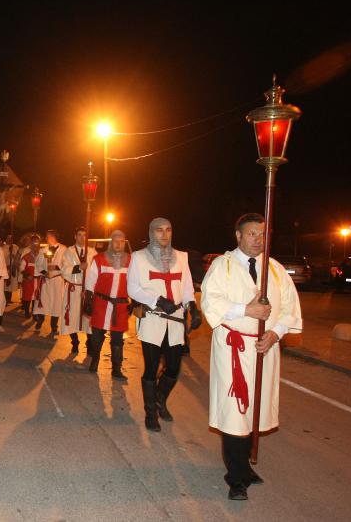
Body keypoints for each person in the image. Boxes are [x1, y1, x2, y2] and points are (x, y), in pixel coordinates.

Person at [201, 213, 302, 501]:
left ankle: (244, 466)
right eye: (251, 234)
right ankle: (236, 478)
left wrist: (276, 333)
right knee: (235, 412)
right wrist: (246, 310)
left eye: (262, 234)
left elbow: (290, 307)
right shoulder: (223, 266)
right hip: (234, 348)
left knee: (255, 411)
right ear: (238, 236)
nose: (258, 240)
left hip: (264, 349)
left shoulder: (275, 269)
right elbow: (211, 300)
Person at [128, 218, 201, 433]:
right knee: (151, 369)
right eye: (159, 230)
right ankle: (151, 412)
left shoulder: (181, 258)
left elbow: (186, 286)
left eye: (168, 230)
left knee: (174, 367)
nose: (164, 234)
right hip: (153, 319)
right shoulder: (139, 257)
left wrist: (193, 308)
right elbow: (133, 288)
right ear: (151, 232)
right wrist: (158, 300)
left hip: (176, 320)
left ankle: (159, 398)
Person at [84, 229, 130, 378]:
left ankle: (116, 369)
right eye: (116, 241)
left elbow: (135, 283)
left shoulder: (130, 261)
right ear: (111, 242)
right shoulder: (99, 259)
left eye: (122, 241)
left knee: (117, 339)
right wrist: (88, 300)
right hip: (101, 303)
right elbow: (91, 280)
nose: (118, 244)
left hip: (120, 306)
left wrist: (135, 302)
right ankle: (95, 359)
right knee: (97, 336)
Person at [61, 227, 97, 353]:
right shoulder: (69, 252)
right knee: (72, 316)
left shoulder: (92, 252)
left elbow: (96, 271)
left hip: (87, 290)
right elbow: (64, 269)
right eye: (80, 235)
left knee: (88, 317)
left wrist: (89, 288)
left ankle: (90, 343)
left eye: (84, 235)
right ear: (75, 236)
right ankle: (75, 342)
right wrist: (78, 267)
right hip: (73, 289)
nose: (82, 238)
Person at [33, 229, 66, 337]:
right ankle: (40, 321)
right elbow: (38, 264)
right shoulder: (43, 250)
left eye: (47, 236)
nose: (46, 238)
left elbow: (67, 265)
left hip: (57, 281)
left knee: (56, 304)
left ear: (53, 237)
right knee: (43, 302)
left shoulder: (64, 249)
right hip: (46, 281)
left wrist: (55, 267)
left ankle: (54, 327)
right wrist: (44, 272)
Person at [19, 233, 40, 320]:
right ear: (31, 244)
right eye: (34, 243)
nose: (35, 245)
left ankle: (35, 313)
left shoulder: (41, 255)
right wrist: (27, 276)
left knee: (36, 298)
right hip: (28, 281)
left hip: (37, 281)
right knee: (27, 297)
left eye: (37, 243)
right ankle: (27, 311)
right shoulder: (26, 257)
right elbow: (21, 269)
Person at [2, 234, 20, 305]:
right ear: (6, 239)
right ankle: (5, 300)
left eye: (11, 239)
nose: (10, 240)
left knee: (11, 284)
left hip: (13, 268)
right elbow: (1, 258)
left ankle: (9, 299)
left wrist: (14, 256)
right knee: (6, 285)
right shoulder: (3, 247)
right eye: (8, 239)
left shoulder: (15, 247)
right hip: (6, 267)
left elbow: (19, 256)